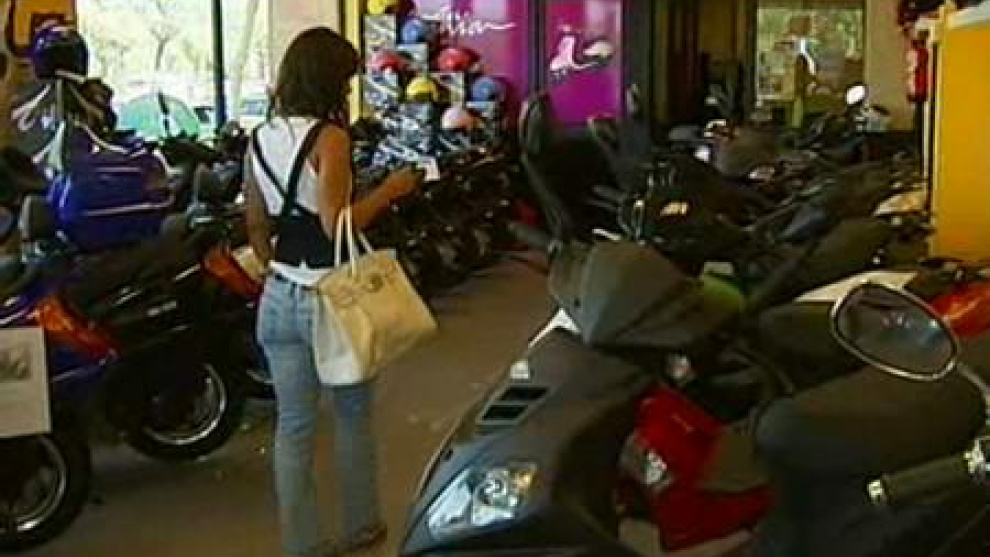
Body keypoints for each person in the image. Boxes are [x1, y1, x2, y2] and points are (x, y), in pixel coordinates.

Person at [242, 27, 420, 557]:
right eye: (344, 79)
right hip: (331, 299)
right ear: (326, 80)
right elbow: (335, 224)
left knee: (293, 428)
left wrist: (278, 270)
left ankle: (302, 545)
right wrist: (390, 191)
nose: (347, 89)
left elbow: (256, 226)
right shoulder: (330, 139)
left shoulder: (259, 138)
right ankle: (362, 526)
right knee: (351, 417)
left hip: (279, 296)